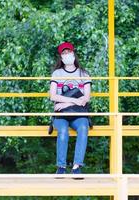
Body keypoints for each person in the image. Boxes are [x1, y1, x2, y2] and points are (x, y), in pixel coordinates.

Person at [49, 42, 92, 174]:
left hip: (79, 114)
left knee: (83, 127)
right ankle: (61, 166)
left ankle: (77, 166)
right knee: (62, 130)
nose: (67, 55)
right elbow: (53, 96)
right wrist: (74, 100)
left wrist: (66, 103)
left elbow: (86, 98)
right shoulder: (57, 74)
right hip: (61, 114)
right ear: (61, 57)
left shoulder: (83, 74)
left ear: (74, 54)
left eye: (69, 52)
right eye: (64, 53)